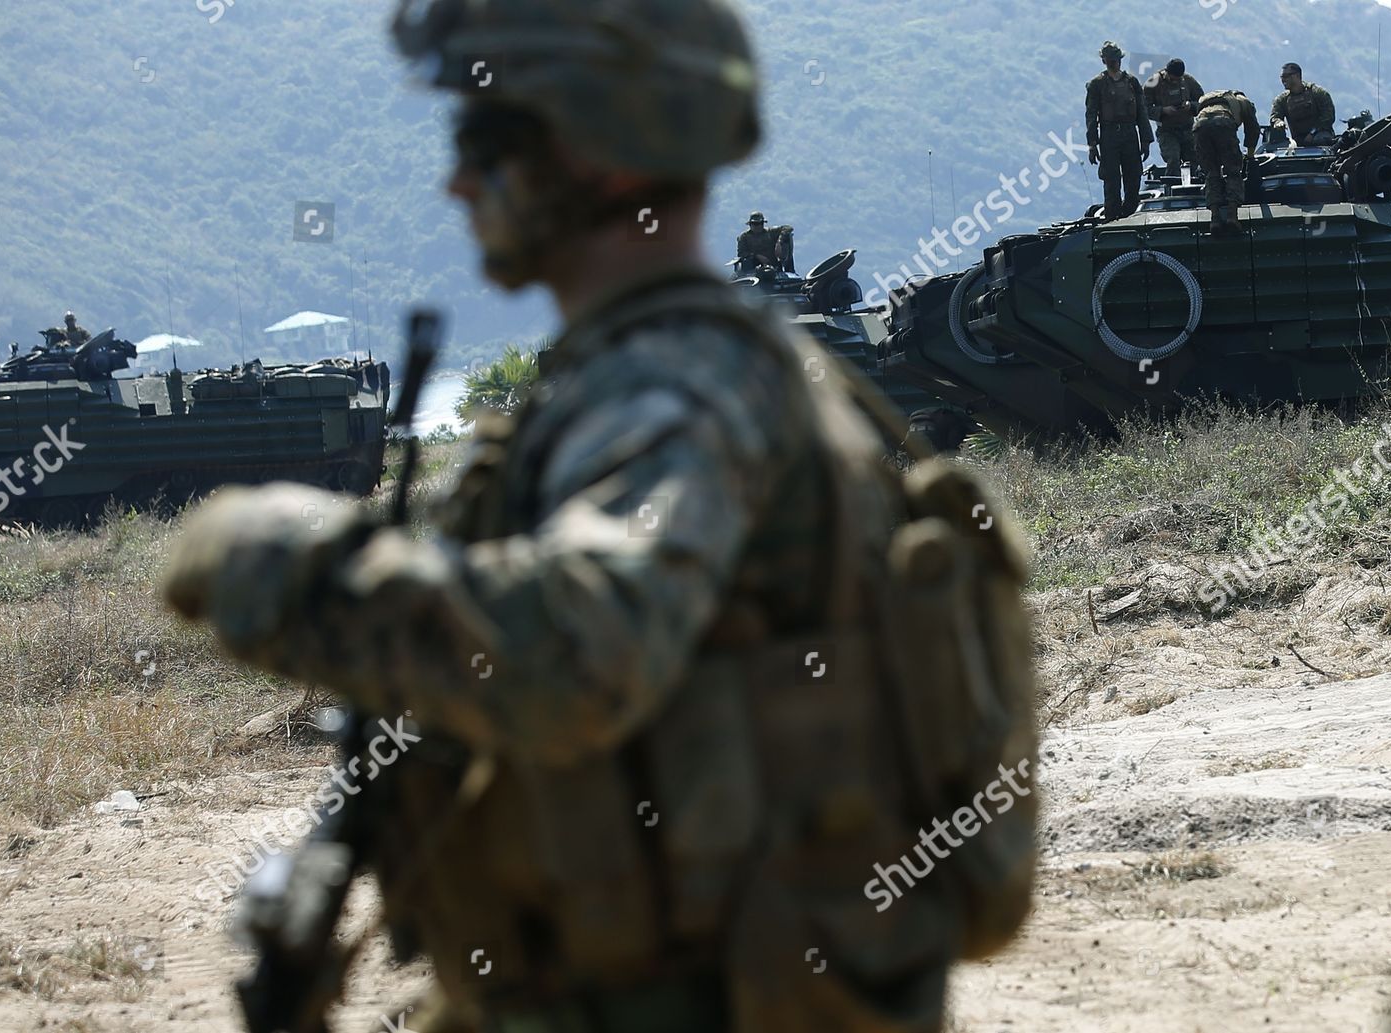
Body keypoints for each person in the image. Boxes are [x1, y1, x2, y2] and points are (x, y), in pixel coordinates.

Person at [163, 0, 1037, 1030]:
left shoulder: (672, 392)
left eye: (486, 143)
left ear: (606, 156)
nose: (456, 181)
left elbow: (585, 650)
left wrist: (283, 565)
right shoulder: (679, 373)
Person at [1086, 41, 1155, 220]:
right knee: (1111, 179)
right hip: (1108, 135)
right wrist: (1092, 144)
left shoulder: (1131, 82)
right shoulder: (1097, 84)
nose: (1113, 62)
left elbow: (1142, 111)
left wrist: (1145, 140)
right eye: (1110, 59)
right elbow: (1091, 115)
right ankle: (1112, 218)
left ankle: (1130, 214)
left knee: (1133, 177)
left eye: (1115, 59)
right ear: (1104, 60)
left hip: (1130, 133)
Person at [1194, 89, 1261, 234]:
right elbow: (1253, 130)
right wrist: (1249, 156)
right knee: (1233, 170)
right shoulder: (1243, 101)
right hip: (1223, 122)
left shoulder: (1210, 98)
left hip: (1200, 126)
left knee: (1211, 173)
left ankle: (1215, 218)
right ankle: (1232, 215)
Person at [1144, 58, 1204, 180]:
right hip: (1167, 131)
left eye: (1178, 79)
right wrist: (1163, 110)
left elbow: (1203, 102)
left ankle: (1194, 189)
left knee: (1194, 159)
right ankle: (1172, 188)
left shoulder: (1188, 81)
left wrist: (1190, 106)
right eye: (1172, 79)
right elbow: (1143, 108)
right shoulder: (1153, 83)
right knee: (1173, 158)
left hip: (1188, 129)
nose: (1175, 82)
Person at [1271, 63, 1337, 147]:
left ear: (1297, 75)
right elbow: (1275, 116)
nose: (1283, 80)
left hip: (1320, 136)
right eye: (1282, 77)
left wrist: (1312, 133)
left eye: (1286, 76)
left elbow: (1328, 116)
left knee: (1321, 139)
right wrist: (1278, 122)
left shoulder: (1317, 93)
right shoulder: (1282, 100)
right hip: (1297, 141)